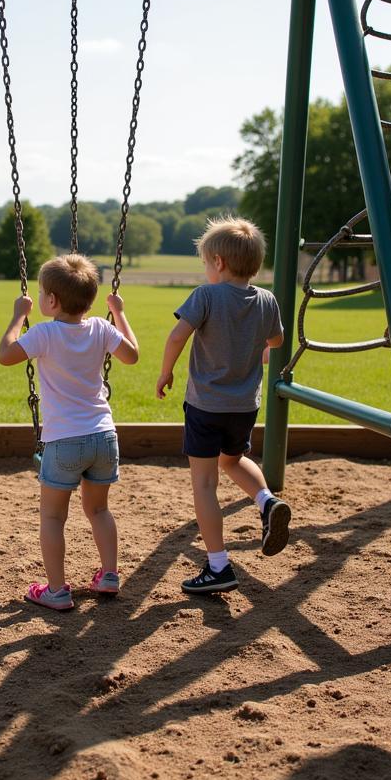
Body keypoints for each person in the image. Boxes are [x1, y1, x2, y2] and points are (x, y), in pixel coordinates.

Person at [156, 216, 290, 594]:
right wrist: (256, 349)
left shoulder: (207, 295)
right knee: (231, 459)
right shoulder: (266, 300)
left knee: (204, 483)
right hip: (244, 406)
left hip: (205, 406)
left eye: (204, 262)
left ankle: (218, 566)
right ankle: (266, 502)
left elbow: (177, 336)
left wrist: (165, 372)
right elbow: (277, 341)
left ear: (218, 262)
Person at [0, 254, 139, 611]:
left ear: (51, 301)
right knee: (99, 510)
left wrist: (18, 315)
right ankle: (109, 575)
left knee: (52, 517)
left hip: (64, 440)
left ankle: (57, 591)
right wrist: (119, 312)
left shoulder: (44, 333)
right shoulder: (103, 329)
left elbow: (5, 355)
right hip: (104, 437)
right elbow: (133, 355)